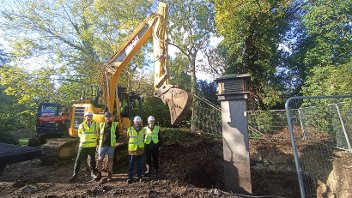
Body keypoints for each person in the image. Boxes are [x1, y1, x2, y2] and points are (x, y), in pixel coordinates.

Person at [69, 111, 98, 182]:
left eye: (90, 116)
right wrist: (84, 138)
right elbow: (79, 134)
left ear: (92, 117)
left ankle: (93, 172)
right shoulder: (81, 125)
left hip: (92, 145)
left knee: (92, 160)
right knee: (78, 160)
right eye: (87, 116)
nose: (88, 118)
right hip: (83, 145)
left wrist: (95, 139)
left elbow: (98, 133)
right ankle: (75, 174)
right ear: (85, 117)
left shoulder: (96, 125)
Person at [95, 112, 119, 182]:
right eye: (106, 116)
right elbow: (99, 134)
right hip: (102, 145)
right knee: (100, 160)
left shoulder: (115, 125)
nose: (108, 118)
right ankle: (99, 174)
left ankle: (109, 174)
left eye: (109, 116)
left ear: (111, 117)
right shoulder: (101, 125)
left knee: (110, 160)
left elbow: (117, 135)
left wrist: (114, 142)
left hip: (111, 145)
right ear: (105, 117)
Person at [126, 116, 145, 184]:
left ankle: (140, 177)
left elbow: (144, 138)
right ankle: (130, 177)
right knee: (131, 164)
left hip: (140, 149)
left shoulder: (143, 130)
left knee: (139, 164)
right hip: (132, 150)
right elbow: (127, 138)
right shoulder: (130, 129)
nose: (137, 123)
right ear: (134, 122)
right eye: (136, 122)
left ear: (140, 122)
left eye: (138, 122)